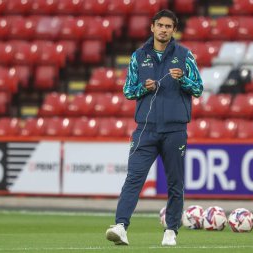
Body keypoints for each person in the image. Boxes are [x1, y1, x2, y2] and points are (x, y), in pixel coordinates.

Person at [105, 9, 203, 246]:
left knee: (175, 182)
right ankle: (120, 226)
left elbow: (198, 88)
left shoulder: (185, 55)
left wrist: (183, 80)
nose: (164, 29)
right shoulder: (138, 56)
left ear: (174, 30)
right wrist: (143, 88)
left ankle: (171, 231)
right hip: (145, 130)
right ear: (152, 27)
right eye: (160, 25)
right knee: (134, 178)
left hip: (175, 129)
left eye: (169, 26)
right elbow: (128, 90)